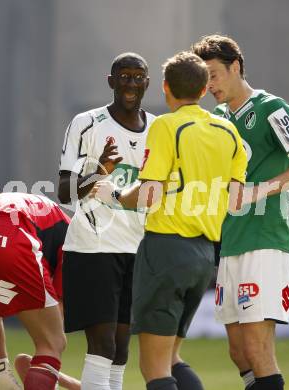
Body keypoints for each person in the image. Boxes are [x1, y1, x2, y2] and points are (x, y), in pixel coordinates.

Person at [91, 51, 248, 390]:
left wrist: (112, 194)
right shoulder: (229, 131)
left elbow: (148, 194)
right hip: (206, 257)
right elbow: (236, 198)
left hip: (166, 251)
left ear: (164, 87)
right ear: (205, 88)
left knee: (155, 368)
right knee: (173, 359)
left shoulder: (166, 125)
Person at [192, 35, 289, 390]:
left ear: (235, 67)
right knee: (238, 352)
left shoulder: (271, 108)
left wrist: (255, 193)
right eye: (204, 79)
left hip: (264, 240)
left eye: (214, 75)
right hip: (229, 242)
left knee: (256, 348)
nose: (210, 86)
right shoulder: (215, 118)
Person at [58, 52, 155, 390]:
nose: (131, 83)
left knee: (122, 350)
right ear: (111, 82)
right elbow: (64, 191)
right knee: (103, 346)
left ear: (147, 82)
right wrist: (99, 171)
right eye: (124, 77)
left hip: (138, 248)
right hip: (93, 246)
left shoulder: (158, 129)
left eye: (138, 76)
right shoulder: (86, 123)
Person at [0, 192, 70, 390]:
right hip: (11, 231)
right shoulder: (78, 243)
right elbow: (59, 309)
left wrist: (2, 366)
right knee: (52, 343)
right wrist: (48, 369)